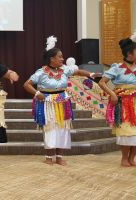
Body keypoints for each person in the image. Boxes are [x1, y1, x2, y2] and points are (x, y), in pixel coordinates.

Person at [23, 36, 99, 166]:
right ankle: (48, 156)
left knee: (63, 128)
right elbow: (26, 84)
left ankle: (59, 156)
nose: (62, 59)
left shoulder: (64, 69)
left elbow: (78, 71)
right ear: (52, 59)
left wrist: (90, 74)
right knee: (50, 128)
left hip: (63, 102)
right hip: (47, 103)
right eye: (60, 57)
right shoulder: (41, 72)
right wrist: (37, 93)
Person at [98, 35, 136, 167]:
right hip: (124, 104)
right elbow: (102, 82)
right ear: (129, 54)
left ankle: (132, 158)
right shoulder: (117, 67)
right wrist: (112, 94)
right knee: (126, 131)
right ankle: (124, 158)